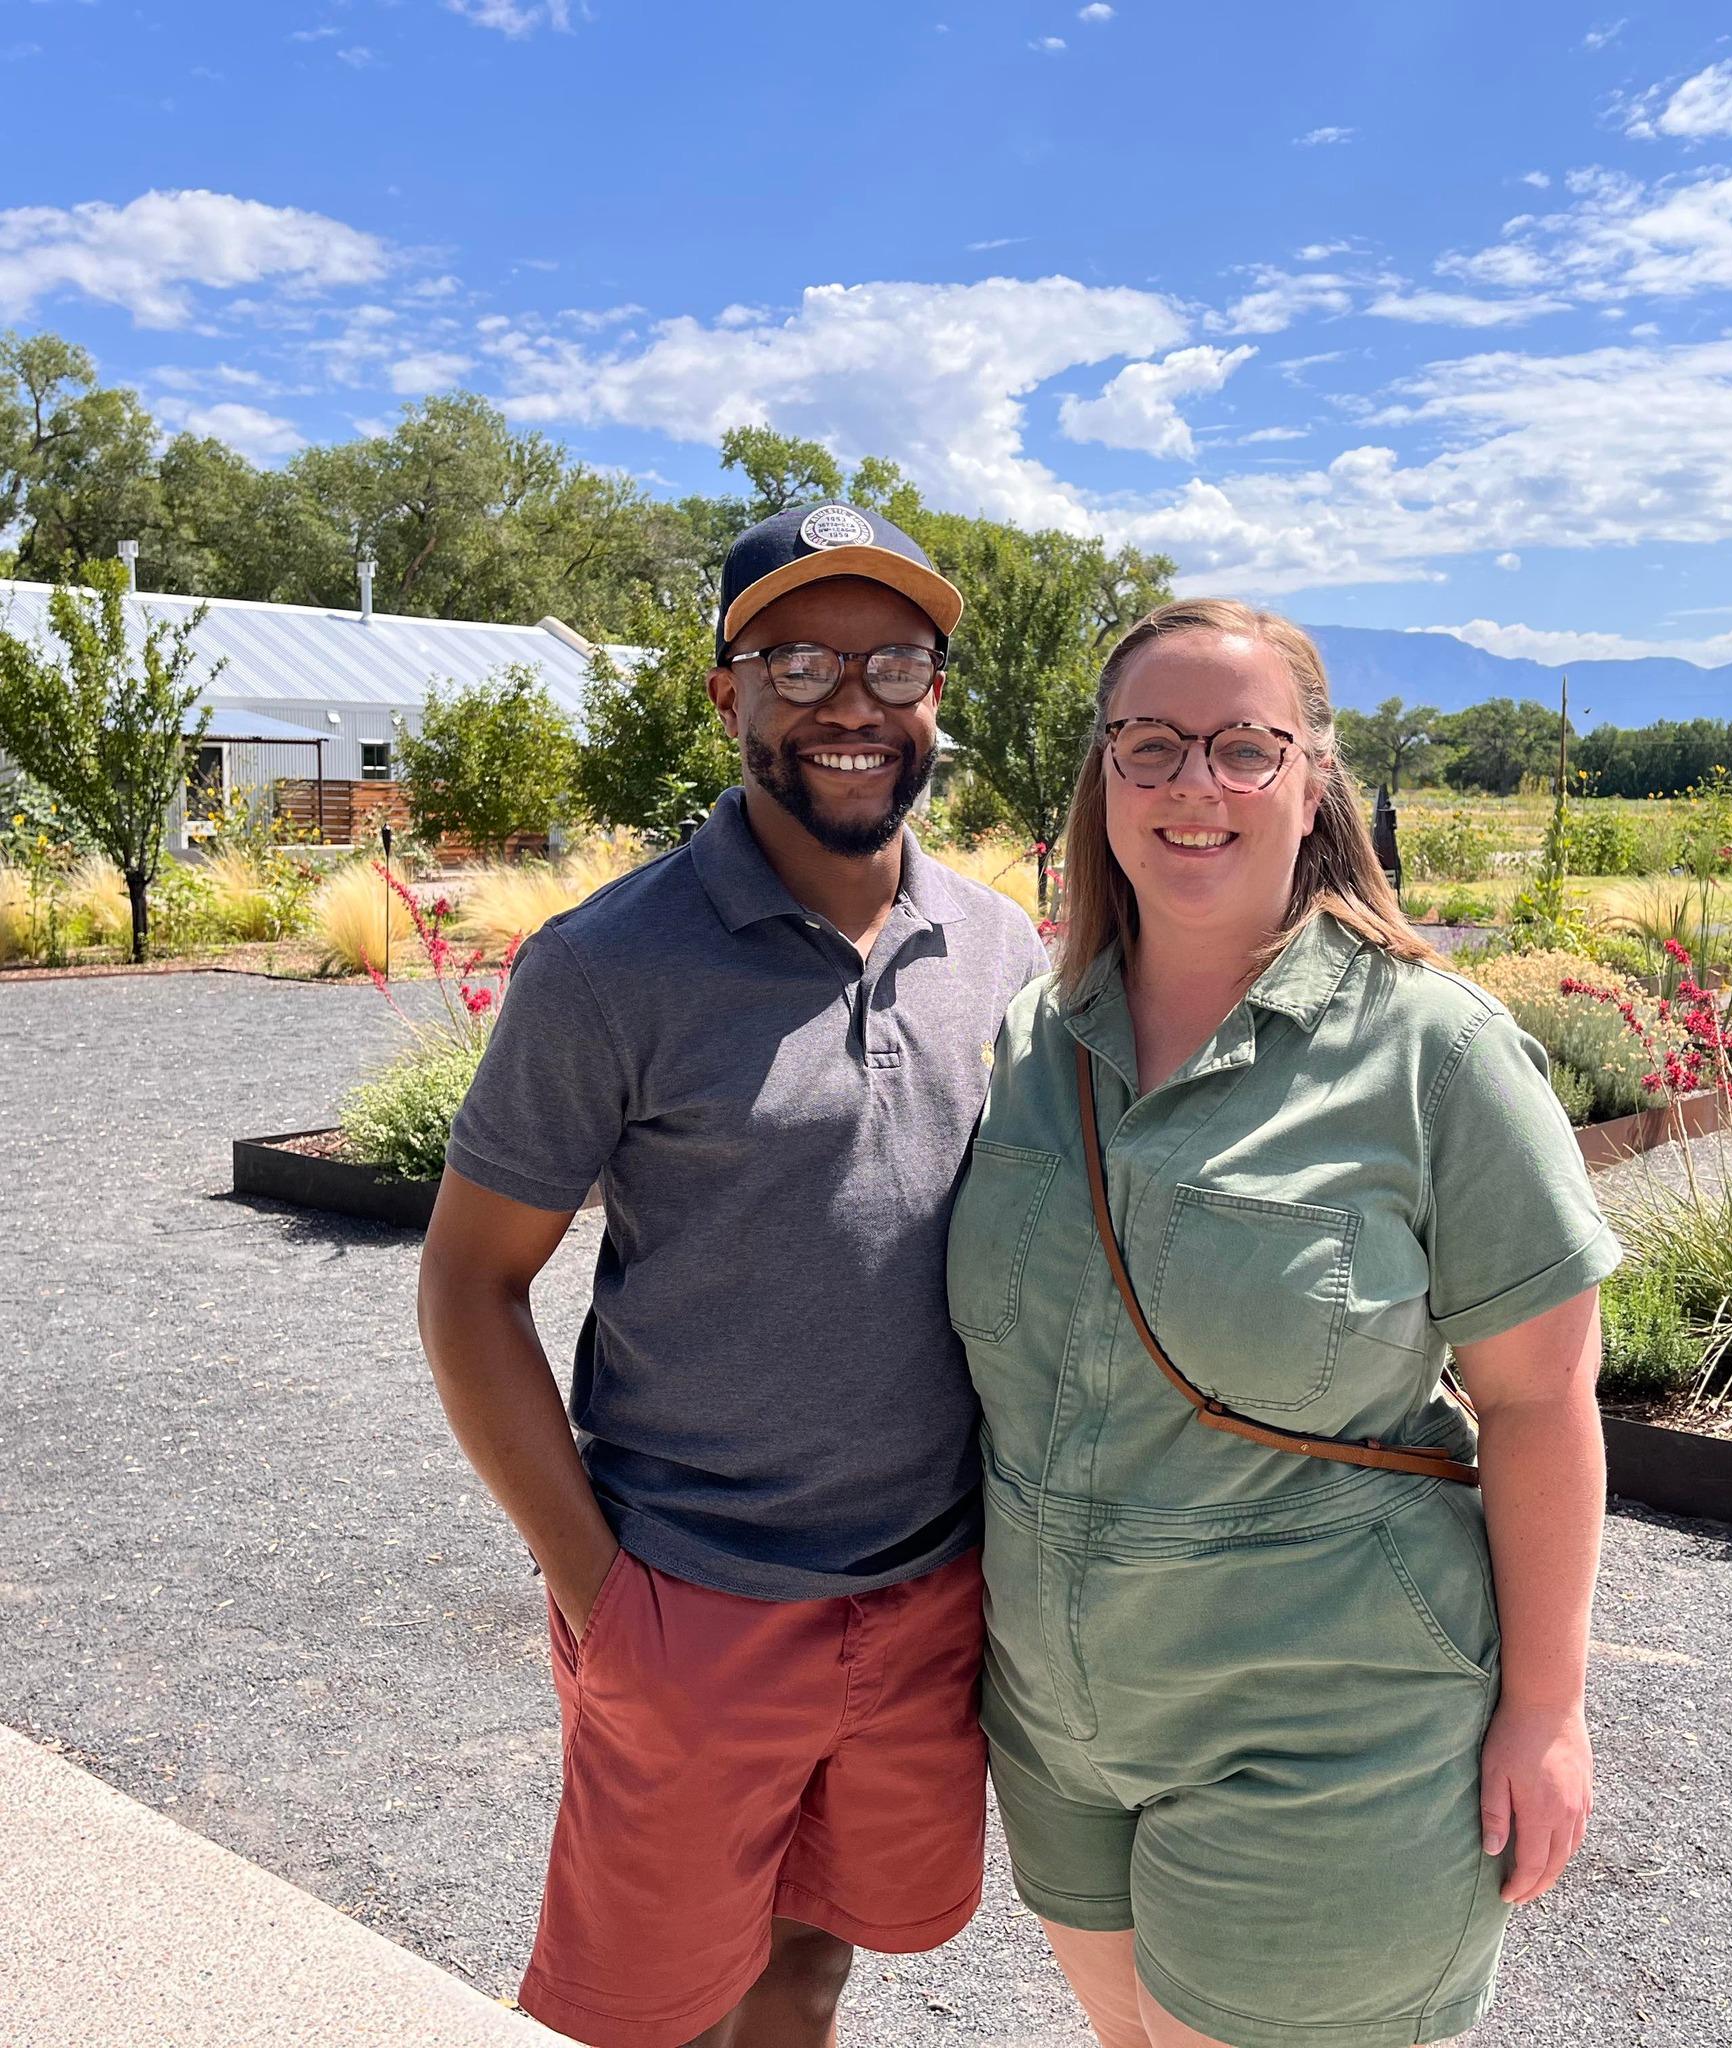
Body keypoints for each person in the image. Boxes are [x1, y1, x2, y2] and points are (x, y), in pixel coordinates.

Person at [417, 502, 1047, 2048]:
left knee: (815, 1959)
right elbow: (469, 1289)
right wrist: (597, 1590)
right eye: (800, 660)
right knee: (647, 2015)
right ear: (726, 692)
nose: (853, 701)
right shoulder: (609, 964)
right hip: (688, 1595)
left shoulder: (1001, 946)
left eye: (895, 662)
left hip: (926, 1593)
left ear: (937, 698)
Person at [948, 598, 1619, 2048]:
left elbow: (1540, 1400)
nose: (1196, 785)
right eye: (1152, 744)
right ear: (1102, 778)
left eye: (1245, 748)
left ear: (1313, 780)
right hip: (1058, 1725)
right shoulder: (1028, 1040)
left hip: (1331, 1720)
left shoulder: (1435, 1053)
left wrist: (1549, 1710)